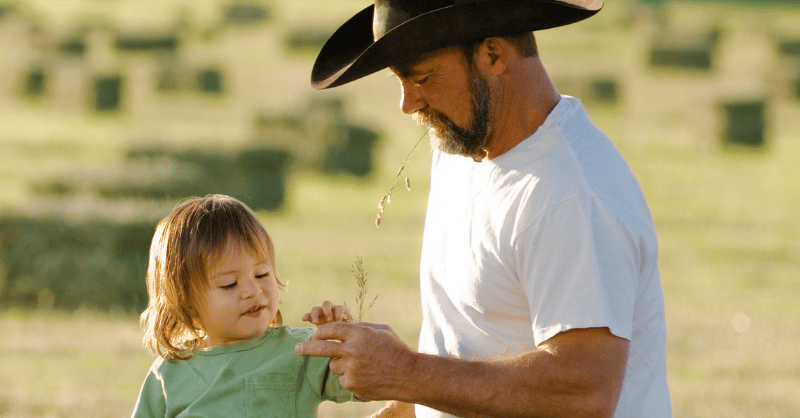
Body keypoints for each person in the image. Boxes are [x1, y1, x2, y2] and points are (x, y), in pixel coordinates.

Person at [296, 1, 672, 417]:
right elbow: (468, 344)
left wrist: (404, 371)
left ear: (493, 55)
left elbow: (583, 393)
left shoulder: (571, 196)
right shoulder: (463, 144)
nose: (408, 103)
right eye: (399, 80)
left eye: (422, 77)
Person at [132, 195, 358, 418]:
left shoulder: (302, 351)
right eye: (229, 284)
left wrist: (345, 343)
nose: (253, 291)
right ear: (186, 303)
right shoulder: (168, 373)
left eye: (262, 274)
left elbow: (366, 382)